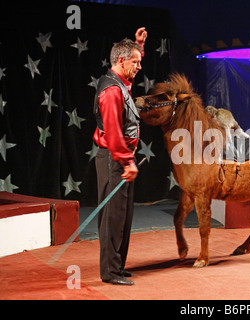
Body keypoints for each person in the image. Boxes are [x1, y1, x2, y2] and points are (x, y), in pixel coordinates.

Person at [93, 27, 148, 286]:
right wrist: (127, 161)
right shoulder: (112, 91)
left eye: (140, 61)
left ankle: (118, 266)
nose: (139, 67)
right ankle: (110, 271)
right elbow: (113, 131)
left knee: (123, 216)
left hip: (122, 158)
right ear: (121, 61)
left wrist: (138, 45)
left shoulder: (121, 84)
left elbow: (130, 76)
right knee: (113, 216)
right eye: (135, 62)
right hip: (114, 159)